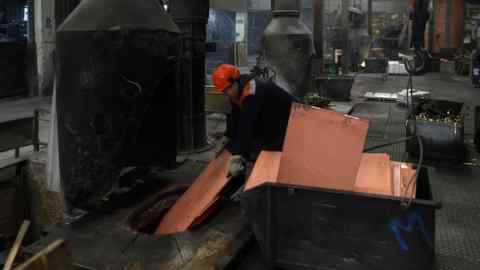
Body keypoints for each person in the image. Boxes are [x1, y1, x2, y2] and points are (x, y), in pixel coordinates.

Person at [212, 64, 295, 179]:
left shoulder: (251, 92)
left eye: (228, 89)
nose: (227, 93)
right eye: (224, 91)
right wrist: (226, 137)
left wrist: (239, 157)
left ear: (236, 81)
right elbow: (236, 116)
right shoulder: (237, 90)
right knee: (238, 142)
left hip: (290, 119)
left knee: (267, 146)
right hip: (269, 114)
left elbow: (246, 126)